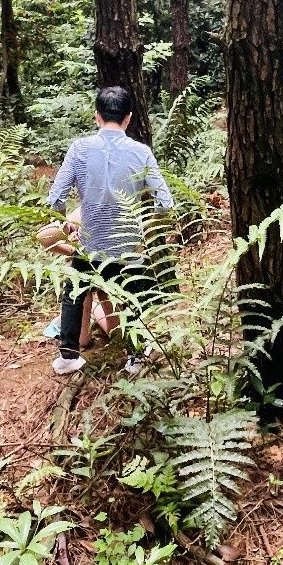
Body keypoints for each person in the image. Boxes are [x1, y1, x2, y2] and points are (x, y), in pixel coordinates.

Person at [47, 86, 174, 374]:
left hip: (89, 245)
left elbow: (56, 198)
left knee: (74, 292)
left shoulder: (79, 149)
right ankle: (136, 357)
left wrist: (66, 226)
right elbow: (165, 203)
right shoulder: (141, 152)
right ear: (128, 118)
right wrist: (144, 228)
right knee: (132, 296)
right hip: (128, 247)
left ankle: (68, 356)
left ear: (97, 116)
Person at [37, 208, 109, 346]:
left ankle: (94, 310)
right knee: (82, 341)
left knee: (117, 332)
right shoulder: (88, 209)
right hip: (84, 276)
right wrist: (72, 250)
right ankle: (87, 310)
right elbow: (43, 236)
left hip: (111, 277)